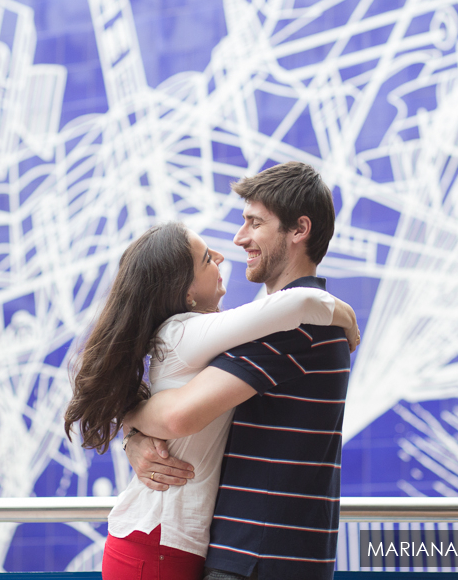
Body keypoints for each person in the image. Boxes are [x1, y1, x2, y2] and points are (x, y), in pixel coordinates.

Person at [63, 221, 359, 580]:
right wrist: (346, 316)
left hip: (165, 543)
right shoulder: (186, 332)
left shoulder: (192, 336)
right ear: (186, 293)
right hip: (158, 544)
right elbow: (298, 302)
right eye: (206, 259)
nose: (221, 254)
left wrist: (133, 429)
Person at [124, 161, 355, 580]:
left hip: (257, 558)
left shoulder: (293, 327)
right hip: (270, 556)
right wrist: (133, 440)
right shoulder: (288, 322)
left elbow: (179, 414)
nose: (238, 238)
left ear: (298, 230)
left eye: (254, 222)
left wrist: (131, 420)